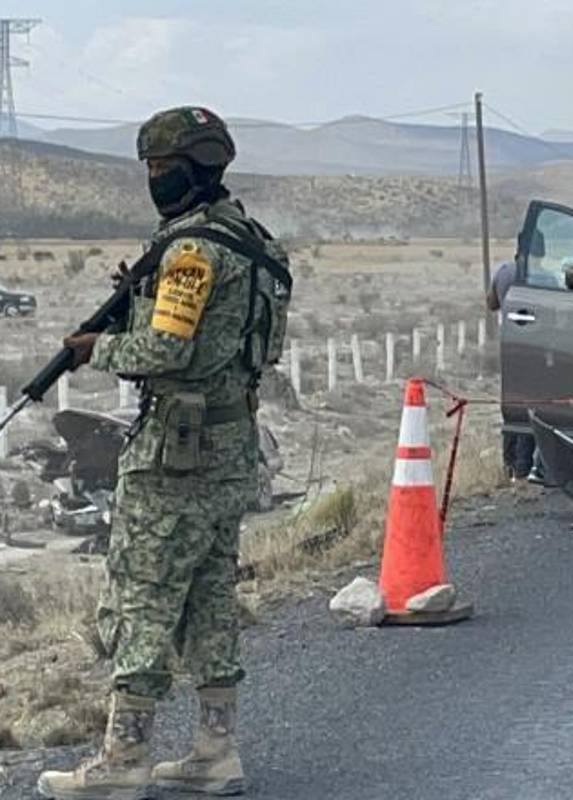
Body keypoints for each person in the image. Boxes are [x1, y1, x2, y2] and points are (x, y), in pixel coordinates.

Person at [39, 107, 290, 799]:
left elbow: (166, 350)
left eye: (158, 168)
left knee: (143, 597)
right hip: (231, 444)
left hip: (175, 452)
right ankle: (216, 749)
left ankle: (123, 761)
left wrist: (102, 348)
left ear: (187, 168)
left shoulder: (190, 251)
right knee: (210, 595)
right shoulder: (250, 240)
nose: (153, 180)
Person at [485, 256, 535, 478]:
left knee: (512, 405)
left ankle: (508, 466)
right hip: (533, 343)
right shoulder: (539, 274)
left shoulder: (504, 270)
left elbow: (491, 303)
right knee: (532, 404)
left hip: (509, 342)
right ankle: (523, 467)